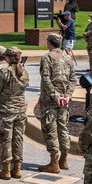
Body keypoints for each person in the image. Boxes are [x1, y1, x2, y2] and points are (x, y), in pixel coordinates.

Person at [38, 32, 75, 173]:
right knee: (63, 128)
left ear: (49, 43)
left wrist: (55, 96)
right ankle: (64, 159)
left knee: (50, 130)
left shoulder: (47, 58)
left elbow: (46, 79)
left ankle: (54, 163)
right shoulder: (68, 57)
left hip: (50, 101)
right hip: (64, 101)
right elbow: (73, 79)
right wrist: (67, 96)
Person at [0, 46, 30, 180]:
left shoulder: (4, 72)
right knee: (18, 138)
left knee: (5, 139)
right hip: (20, 110)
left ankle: (6, 170)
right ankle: (17, 169)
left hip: (5, 110)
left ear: (7, 58)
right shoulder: (23, 72)